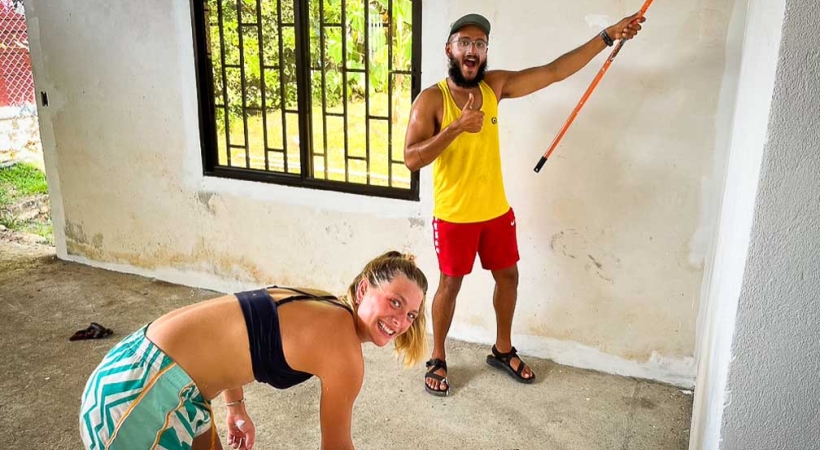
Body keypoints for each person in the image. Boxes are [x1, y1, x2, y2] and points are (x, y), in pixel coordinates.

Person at [403, 12, 645, 396]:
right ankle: (438, 357)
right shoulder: (432, 99)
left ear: (485, 52)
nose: (472, 50)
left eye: (479, 44)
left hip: (495, 212)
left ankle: (502, 349)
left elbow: (554, 72)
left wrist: (607, 35)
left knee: (509, 278)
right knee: (450, 284)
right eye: (464, 42)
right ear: (449, 49)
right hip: (454, 216)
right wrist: (455, 128)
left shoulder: (494, 86)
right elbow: (411, 159)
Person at [79, 251, 428, 450]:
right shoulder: (344, 350)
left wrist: (235, 407)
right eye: (394, 302)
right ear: (364, 289)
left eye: (411, 314)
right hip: (140, 395)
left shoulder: (319, 301)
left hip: (140, 369)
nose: (400, 321)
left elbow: (238, 324)